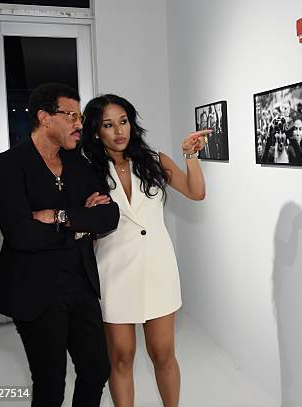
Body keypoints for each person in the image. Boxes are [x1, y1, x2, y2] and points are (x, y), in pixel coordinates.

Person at [0, 83, 120, 406]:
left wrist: (59, 216)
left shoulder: (79, 164)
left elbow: (109, 216)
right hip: (36, 293)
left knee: (97, 369)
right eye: (71, 115)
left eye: (79, 115)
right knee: (50, 386)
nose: (79, 123)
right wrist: (79, 223)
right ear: (45, 118)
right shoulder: (8, 165)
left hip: (80, 286)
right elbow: (20, 234)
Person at [81, 94, 209, 407]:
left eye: (123, 121)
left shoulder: (155, 161)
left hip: (157, 268)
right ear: (96, 131)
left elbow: (196, 192)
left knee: (164, 354)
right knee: (122, 357)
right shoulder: (87, 171)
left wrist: (190, 157)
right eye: (108, 125)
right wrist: (84, 211)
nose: (118, 131)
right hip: (114, 270)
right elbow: (84, 224)